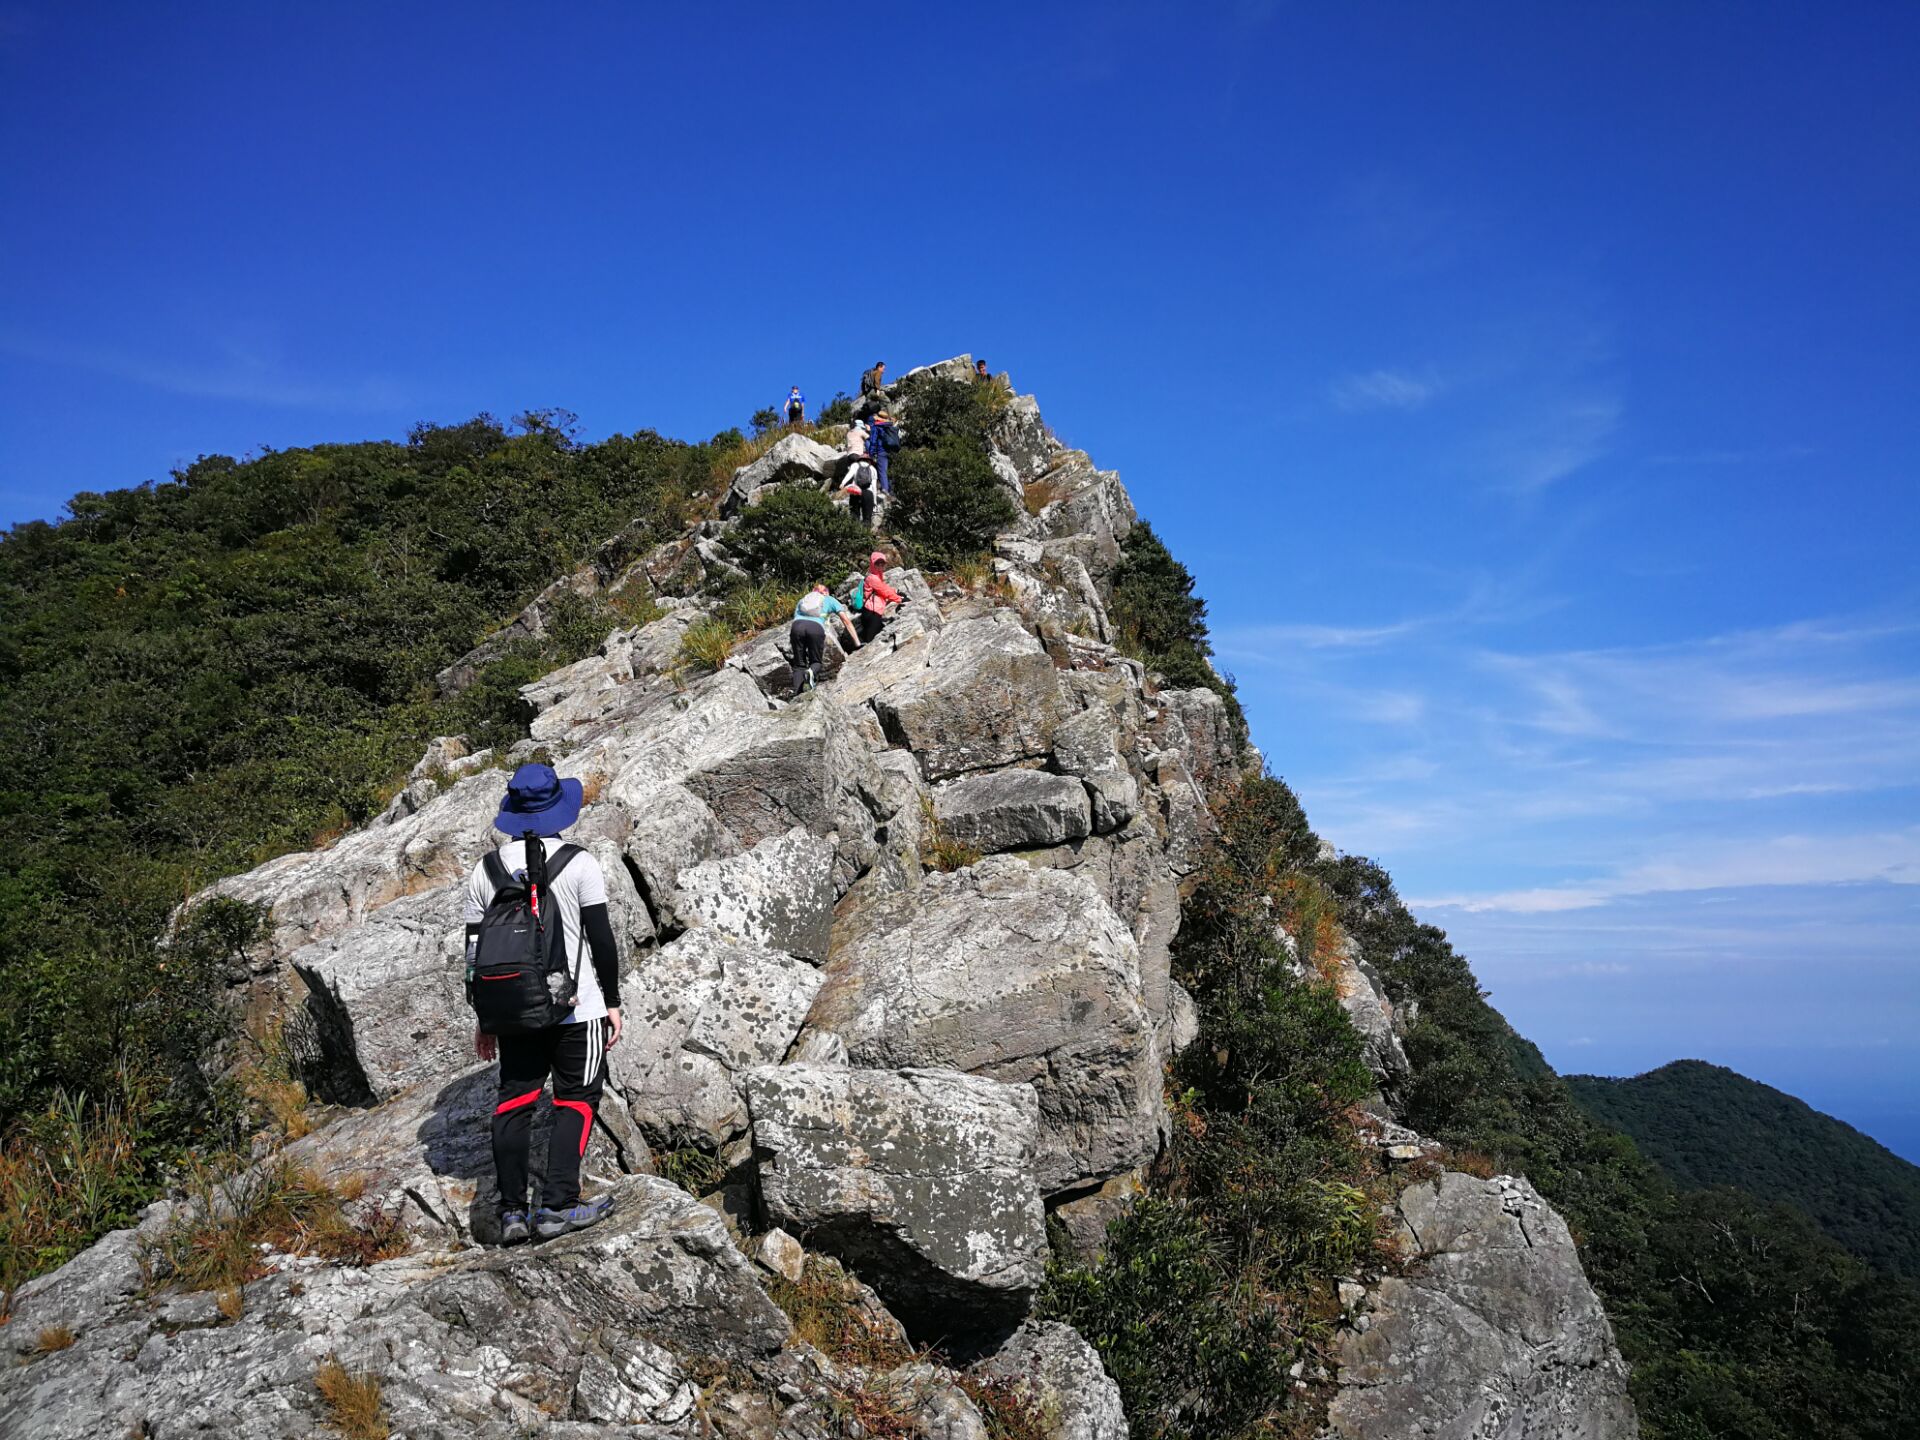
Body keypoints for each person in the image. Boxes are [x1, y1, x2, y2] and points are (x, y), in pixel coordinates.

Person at [467, 764, 624, 1245]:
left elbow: (475, 952)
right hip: (577, 1009)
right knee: (575, 1099)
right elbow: (602, 940)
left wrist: (485, 1017)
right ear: (559, 808)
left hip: (513, 1010)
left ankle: (512, 1213)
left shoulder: (486, 870)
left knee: (515, 1101)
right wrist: (612, 1003)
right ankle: (556, 1207)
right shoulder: (580, 864)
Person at [789, 583, 861, 697]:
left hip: (797, 627)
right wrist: (857, 643)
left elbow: (796, 618)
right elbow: (846, 621)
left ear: (813, 591)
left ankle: (797, 697)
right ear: (826, 592)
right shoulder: (829, 599)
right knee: (816, 662)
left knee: (799, 665)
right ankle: (811, 672)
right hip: (815, 628)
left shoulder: (804, 600)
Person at [854, 550, 905, 644]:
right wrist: (899, 599)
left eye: (882, 563)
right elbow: (884, 591)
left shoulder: (877, 576)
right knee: (870, 641)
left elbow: (883, 589)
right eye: (877, 563)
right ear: (873, 564)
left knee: (872, 637)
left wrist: (896, 592)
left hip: (873, 611)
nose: (880, 566)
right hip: (872, 613)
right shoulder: (872, 578)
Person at [840, 419, 878, 529]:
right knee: (867, 518)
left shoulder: (855, 465)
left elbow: (849, 475)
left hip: (855, 491)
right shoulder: (872, 469)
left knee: (854, 515)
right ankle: (866, 538)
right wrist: (874, 501)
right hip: (868, 493)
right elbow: (874, 486)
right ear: (869, 460)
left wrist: (843, 484)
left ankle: (854, 535)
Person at [867, 410, 900, 495]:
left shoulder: (877, 426)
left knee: (883, 471)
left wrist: (871, 454)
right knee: (892, 471)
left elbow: (873, 441)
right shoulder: (891, 424)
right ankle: (894, 491)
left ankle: (886, 491)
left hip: (882, 451)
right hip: (893, 450)